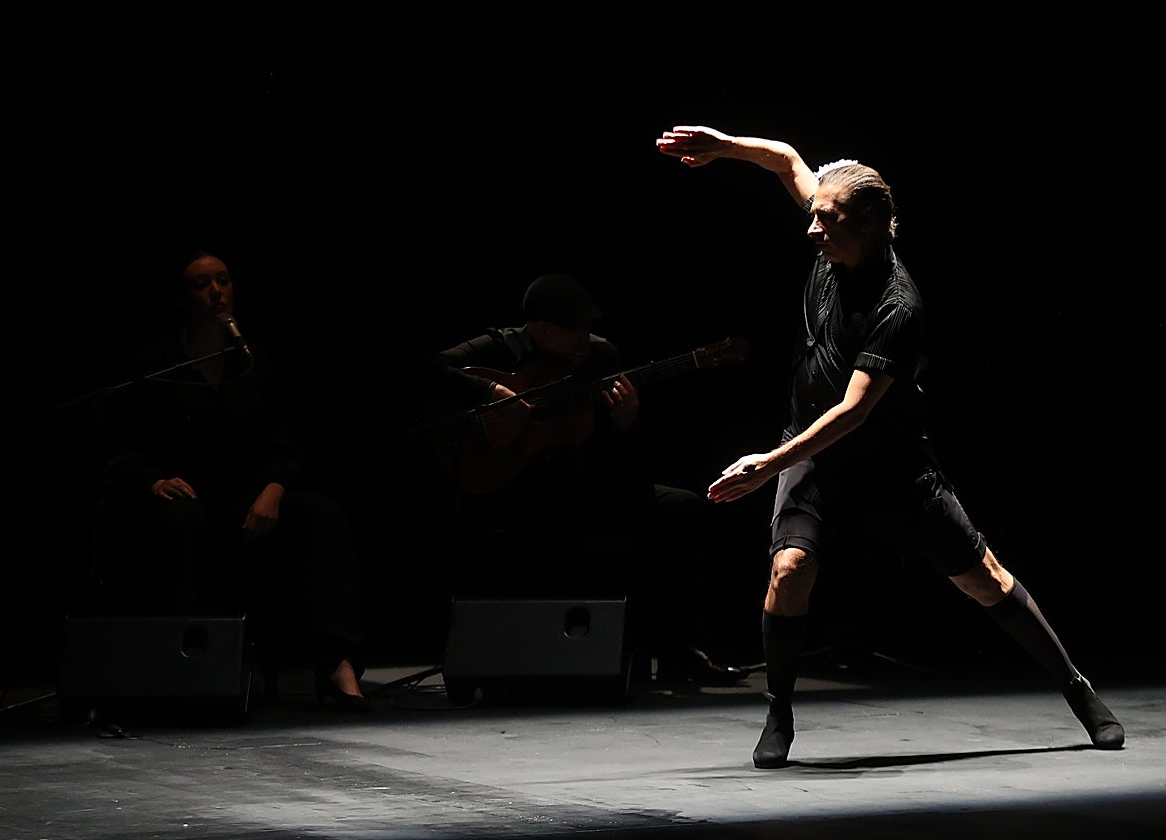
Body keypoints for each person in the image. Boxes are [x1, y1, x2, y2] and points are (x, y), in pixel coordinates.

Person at [655, 125, 1125, 766]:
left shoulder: (899, 306)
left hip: (889, 464)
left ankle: (1076, 688)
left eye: (828, 219)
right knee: (789, 571)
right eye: (814, 214)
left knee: (984, 580)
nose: (812, 229)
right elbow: (786, 159)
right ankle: (780, 714)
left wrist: (768, 465)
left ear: (872, 222)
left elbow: (853, 412)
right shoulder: (829, 231)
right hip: (811, 456)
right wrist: (724, 144)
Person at [414, 273, 746, 686]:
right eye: (576, 330)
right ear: (539, 330)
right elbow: (427, 367)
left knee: (682, 507)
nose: (586, 337)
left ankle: (675, 652)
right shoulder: (503, 347)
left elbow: (612, 453)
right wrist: (491, 392)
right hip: (512, 489)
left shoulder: (600, 358)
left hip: (584, 486)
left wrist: (625, 422)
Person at [103, 247, 371, 712]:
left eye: (223, 280)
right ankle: (192, 671)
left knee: (319, 514)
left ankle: (335, 663)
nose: (215, 291)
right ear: (183, 298)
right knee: (179, 521)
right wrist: (153, 481)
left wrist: (274, 489)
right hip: (188, 496)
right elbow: (122, 448)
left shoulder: (250, 360)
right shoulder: (156, 361)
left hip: (248, 500)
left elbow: (286, 447)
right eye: (202, 284)